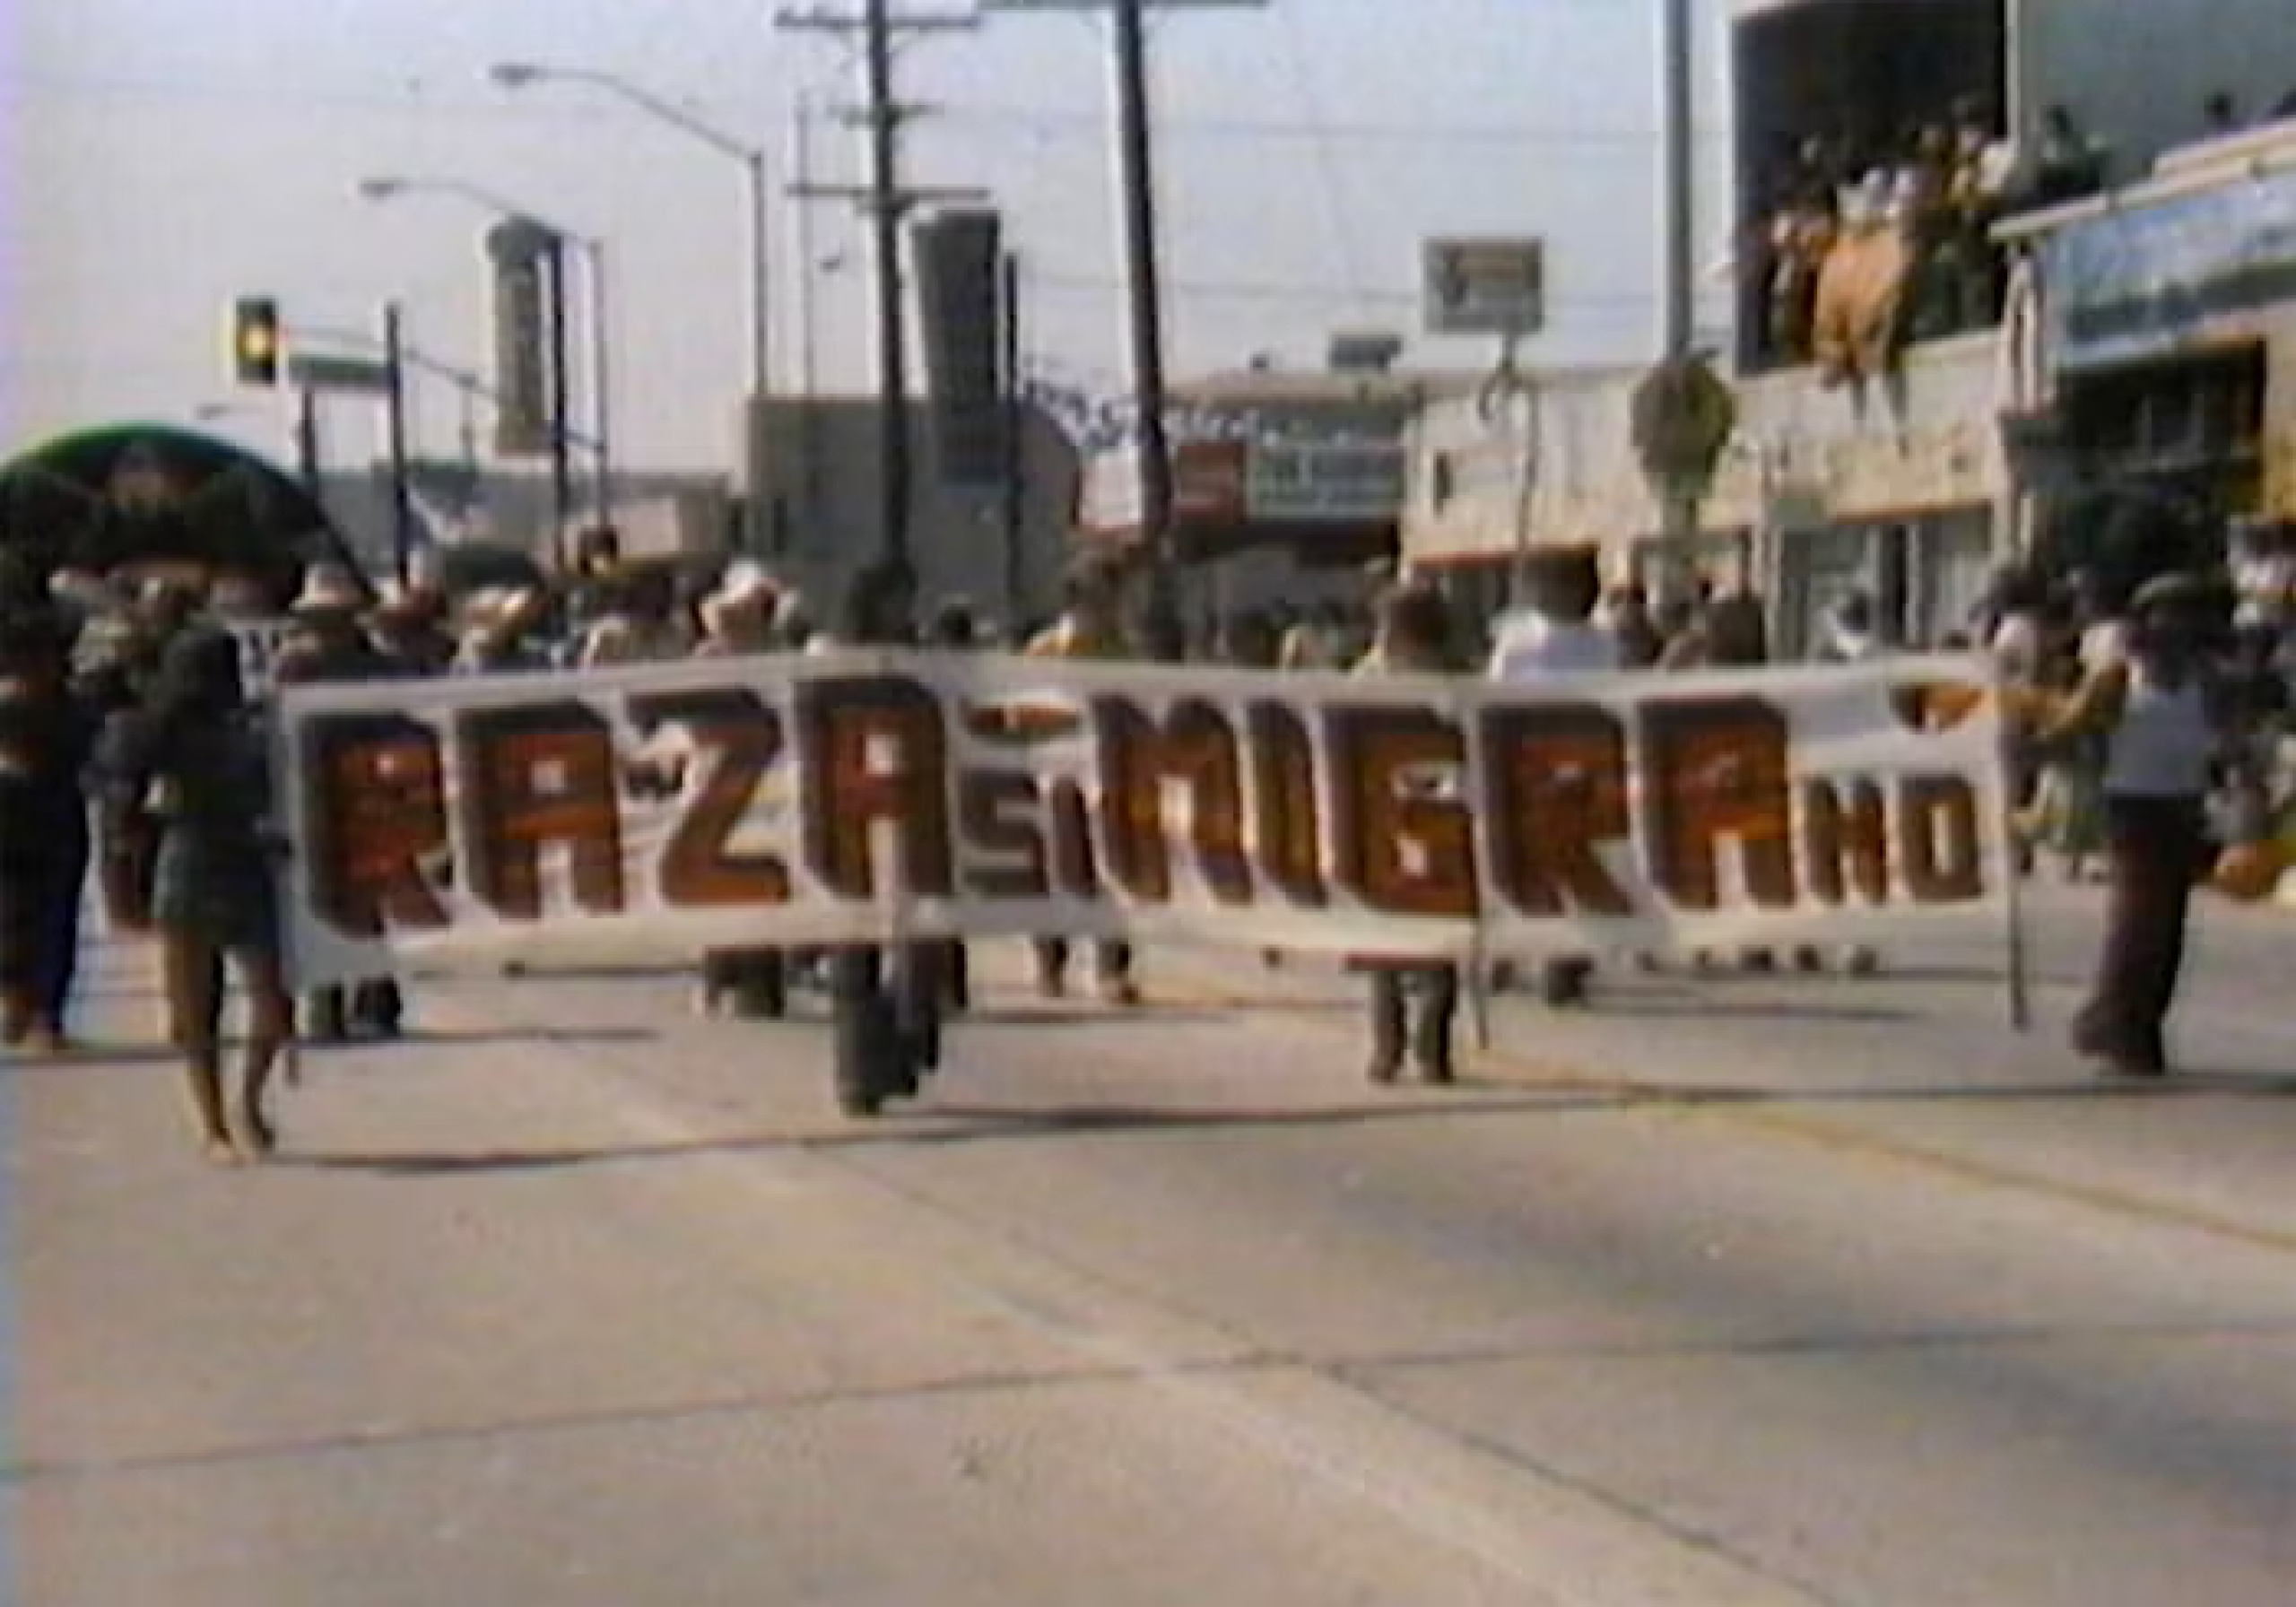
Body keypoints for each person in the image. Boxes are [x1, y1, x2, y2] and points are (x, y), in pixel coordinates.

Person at [2026, 575, 2225, 1077]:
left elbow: (2226, 739)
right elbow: (2066, 727)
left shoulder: (2205, 678)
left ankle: (2142, 1029)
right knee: (2138, 924)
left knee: (2169, 931)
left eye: (2187, 616)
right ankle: (2112, 1025)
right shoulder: (2118, 676)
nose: (2177, 627)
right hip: (2132, 808)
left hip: (2184, 808)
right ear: (2146, 620)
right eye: (2167, 615)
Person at [113, 627, 293, 1159]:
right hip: (203, 859)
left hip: (218, 861)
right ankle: (222, 1120)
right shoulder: (164, 731)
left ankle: (234, 1111)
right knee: (212, 1007)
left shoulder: (244, 728)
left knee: (249, 1005)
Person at [1487, 545, 1620, 1004]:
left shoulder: (1605, 643)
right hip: (1530, 769)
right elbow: (1497, 701)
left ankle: (1566, 965)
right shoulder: (1518, 642)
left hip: (1586, 772)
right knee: (1529, 871)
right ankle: (1513, 951)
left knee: (1579, 872)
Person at [1353, 582, 1465, 1083]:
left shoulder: (1454, 681)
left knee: (1443, 939)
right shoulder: (1367, 677)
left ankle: (1431, 1046)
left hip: (1441, 812)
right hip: (1386, 813)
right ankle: (1389, 1044)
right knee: (1386, 938)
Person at [1026, 564, 1140, 1005]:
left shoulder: (1122, 651)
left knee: (1112, 870)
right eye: (1100, 596)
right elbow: (1022, 711)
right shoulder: (1046, 649)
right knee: (1058, 870)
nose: (1110, 606)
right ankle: (1050, 962)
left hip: (1109, 772)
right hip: (1057, 771)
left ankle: (1111, 967)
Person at [689, 562, 790, 1021]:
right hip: (719, 780)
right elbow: (695, 723)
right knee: (720, 879)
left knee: (766, 874)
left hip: (768, 783)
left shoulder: (779, 657)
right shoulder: (709, 660)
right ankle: (720, 973)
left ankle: (762, 979)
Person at [0, 602, 97, 1052]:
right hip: (28, 822)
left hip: (54, 821)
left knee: (52, 919)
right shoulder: (52, 704)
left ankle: (40, 1012)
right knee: (22, 916)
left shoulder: (68, 704)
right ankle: (22, 1005)